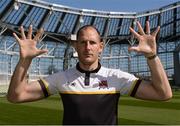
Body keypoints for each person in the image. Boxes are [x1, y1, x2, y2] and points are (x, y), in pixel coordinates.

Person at [7, 21, 172, 125]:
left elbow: (163, 93)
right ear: (76, 46)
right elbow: (16, 96)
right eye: (83, 42)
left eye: (92, 42)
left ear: (100, 47)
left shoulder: (117, 77)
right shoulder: (61, 78)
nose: (87, 47)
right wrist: (25, 60)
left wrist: (152, 56)